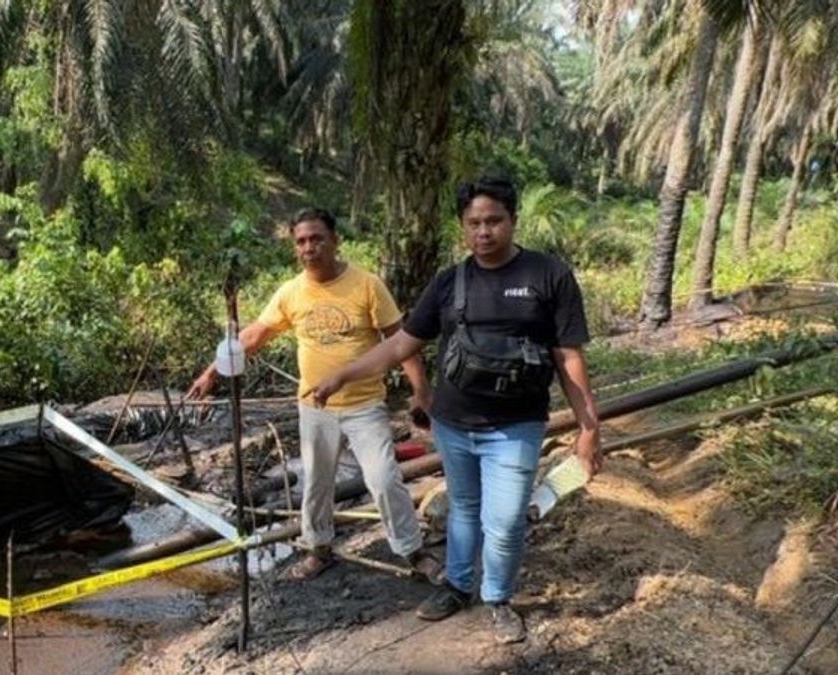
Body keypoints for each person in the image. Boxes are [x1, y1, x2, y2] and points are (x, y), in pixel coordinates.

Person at [312, 177, 602, 644]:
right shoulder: (450, 283)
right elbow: (403, 342)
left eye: (494, 221)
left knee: (506, 520)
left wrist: (589, 427)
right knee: (465, 509)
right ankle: (457, 584)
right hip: (454, 422)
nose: (484, 232)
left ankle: (498, 598)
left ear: (513, 219)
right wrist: (343, 374)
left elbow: (567, 355)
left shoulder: (548, 276)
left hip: (516, 425)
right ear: (462, 228)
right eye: (474, 223)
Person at [188, 207, 440, 581]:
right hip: (314, 409)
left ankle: (413, 551)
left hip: (364, 405)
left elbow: (401, 341)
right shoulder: (290, 292)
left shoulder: (367, 285)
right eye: (301, 241)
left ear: (335, 240)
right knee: (316, 484)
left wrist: (421, 392)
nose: (309, 247)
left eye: (317, 238)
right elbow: (254, 336)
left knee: (385, 479)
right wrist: (212, 372)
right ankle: (318, 549)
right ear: (295, 248)